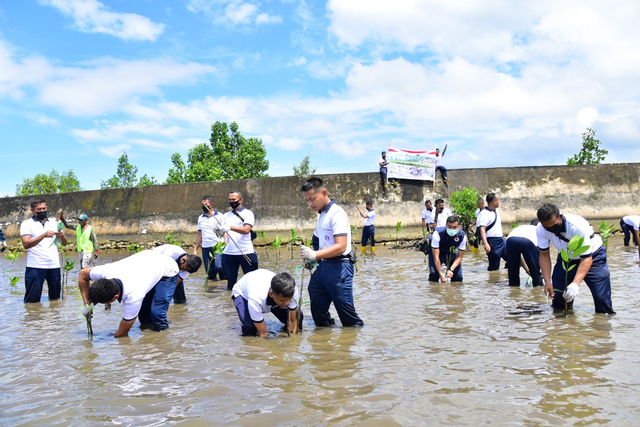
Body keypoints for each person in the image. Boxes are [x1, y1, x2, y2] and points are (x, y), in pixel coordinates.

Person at [300, 177, 364, 327]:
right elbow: (317, 239)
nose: (310, 204)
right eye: (307, 201)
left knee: (347, 314)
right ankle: (324, 335)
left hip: (340, 267)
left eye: (312, 199)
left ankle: (353, 336)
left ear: (324, 193)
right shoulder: (323, 214)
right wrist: (313, 259)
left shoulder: (337, 214)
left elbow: (341, 246)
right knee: (315, 293)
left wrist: (315, 255)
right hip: (323, 266)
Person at [78, 250, 180, 336]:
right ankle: (148, 332)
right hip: (147, 261)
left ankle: (162, 338)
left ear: (115, 297)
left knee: (157, 312)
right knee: (144, 316)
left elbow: (122, 333)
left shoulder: (133, 296)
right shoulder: (104, 272)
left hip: (168, 268)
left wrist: (107, 341)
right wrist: (87, 303)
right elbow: (83, 275)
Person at [536, 203, 615, 314]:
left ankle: (602, 327)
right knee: (558, 297)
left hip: (593, 257)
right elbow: (544, 254)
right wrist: (547, 281)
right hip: (566, 258)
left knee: (601, 299)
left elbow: (587, 258)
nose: (552, 230)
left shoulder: (576, 226)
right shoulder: (541, 229)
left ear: (561, 217)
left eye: (555, 226)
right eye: (548, 228)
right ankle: (565, 326)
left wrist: (575, 284)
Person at [20, 198, 67, 303]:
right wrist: (43, 235)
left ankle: (54, 318)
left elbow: (64, 243)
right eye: (39, 209)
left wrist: (62, 236)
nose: (42, 211)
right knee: (32, 301)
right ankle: (33, 318)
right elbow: (26, 244)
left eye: (44, 208)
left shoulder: (54, 223)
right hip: (35, 265)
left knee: (55, 299)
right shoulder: (27, 224)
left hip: (54, 265)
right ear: (32, 210)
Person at [231, 269, 300, 337]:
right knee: (249, 327)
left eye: (289, 300)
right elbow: (263, 334)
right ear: (271, 294)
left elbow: (292, 321)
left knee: (298, 315)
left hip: (271, 295)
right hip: (243, 295)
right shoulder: (257, 297)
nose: (287, 303)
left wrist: (292, 342)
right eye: (283, 301)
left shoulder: (292, 290)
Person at [219, 191, 259, 290]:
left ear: (240, 200)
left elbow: (246, 230)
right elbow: (223, 232)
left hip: (246, 251)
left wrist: (230, 227)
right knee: (230, 283)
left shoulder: (248, 213)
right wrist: (221, 231)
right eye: (230, 200)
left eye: (234, 200)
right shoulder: (226, 215)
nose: (231, 202)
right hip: (229, 253)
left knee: (251, 282)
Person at [194, 196, 226, 283]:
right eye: (202, 205)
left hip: (218, 245)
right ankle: (213, 291)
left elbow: (224, 232)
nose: (204, 206)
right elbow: (199, 234)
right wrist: (195, 249)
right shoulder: (201, 218)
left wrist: (226, 243)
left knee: (219, 267)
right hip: (206, 247)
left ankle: (225, 283)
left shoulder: (220, 216)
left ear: (212, 204)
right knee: (210, 273)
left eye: (206, 205)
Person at [428, 215, 467, 282]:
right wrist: (441, 275)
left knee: (458, 277)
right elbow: (436, 257)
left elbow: (460, 257)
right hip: (437, 253)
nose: (452, 229)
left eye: (454, 227)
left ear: (458, 227)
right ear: (446, 225)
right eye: (449, 227)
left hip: (451, 253)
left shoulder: (462, 236)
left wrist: (451, 269)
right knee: (434, 275)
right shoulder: (438, 233)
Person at [505, 221, 543, 287]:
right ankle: (538, 288)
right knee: (535, 272)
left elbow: (519, 259)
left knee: (513, 269)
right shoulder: (539, 231)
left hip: (510, 239)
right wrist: (541, 273)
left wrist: (527, 270)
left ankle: (514, 288)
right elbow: (541, 256)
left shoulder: (522, 227)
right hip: (528, 241)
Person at [476, 193, 506, 271]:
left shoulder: (496, 211)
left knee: (513, 258)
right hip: (492, 241)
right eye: (498, 200)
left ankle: (507, 274)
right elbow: (482, 229)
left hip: (501, 240)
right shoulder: (484, 214)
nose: (499, 202)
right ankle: (492, 281)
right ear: (494, 202)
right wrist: (486, 243)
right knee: (494, 267)